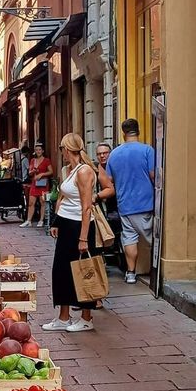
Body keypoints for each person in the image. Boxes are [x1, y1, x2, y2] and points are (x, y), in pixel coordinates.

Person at [43, 133, 99, 332]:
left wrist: (83, 238)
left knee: (84, 271)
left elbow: (86, 207)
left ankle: (86, 317)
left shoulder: (84, 171)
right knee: (61, 271)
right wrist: (57, 221)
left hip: (79, 226)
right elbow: (64, 198)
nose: (61, 153)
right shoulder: (69, 169)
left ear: (67, 149)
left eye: (61, 148)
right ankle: (63, 316)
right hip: (67, 225)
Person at [106, 118, 155, 284]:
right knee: (151, 237)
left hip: (125, 203)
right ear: (138, 130)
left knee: (129, 238)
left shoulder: (114, 154)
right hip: (146, 202)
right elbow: (153, 175)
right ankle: (154, 270)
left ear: (123, 132)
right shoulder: (147, 150)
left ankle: (131, 273)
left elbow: (109, 179)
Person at [20, 143, 53, 228]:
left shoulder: (46, 160)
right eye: (36, 150)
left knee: (42, 202)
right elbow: (29, 172)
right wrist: (33, 172)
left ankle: (41, 220)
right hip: (34, 183)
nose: (38, 151)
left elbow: (51, 171)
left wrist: (42, 174)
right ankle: (28, 220)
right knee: (31, 202)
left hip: (43, 183)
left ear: (42, 151)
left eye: (39, 150)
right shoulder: (32, 160)